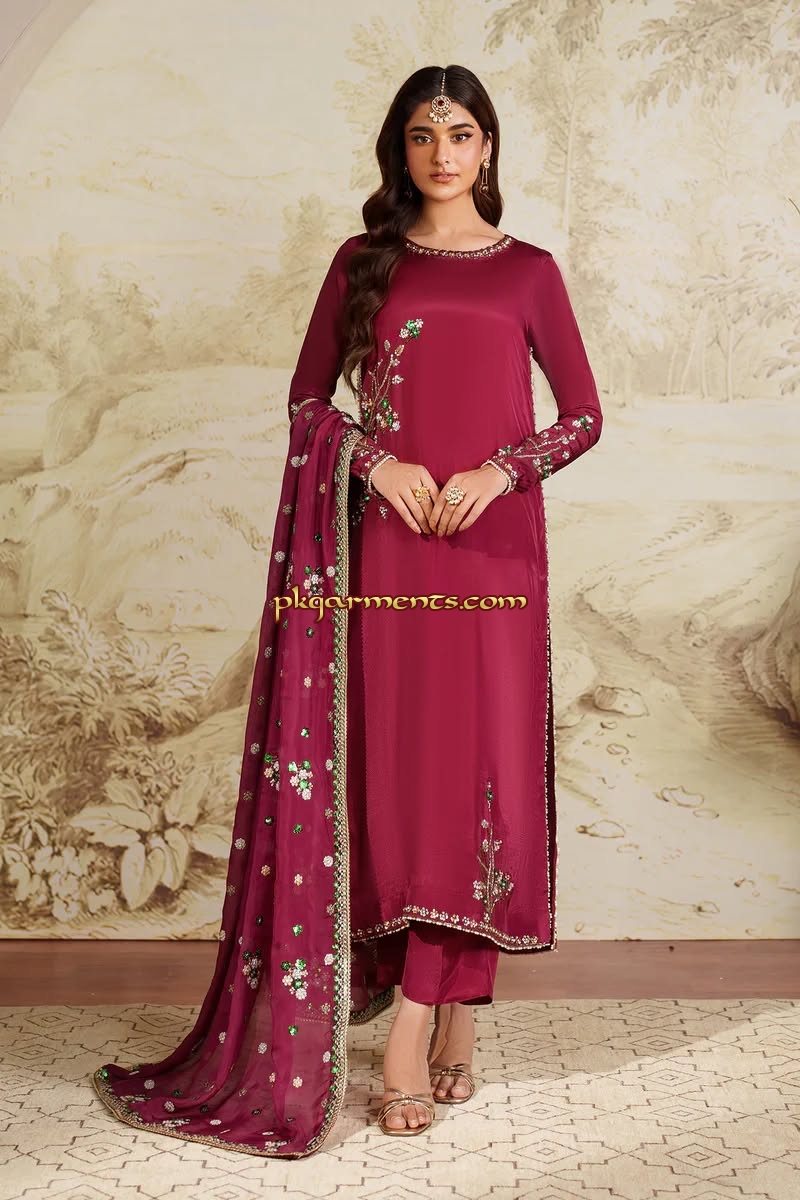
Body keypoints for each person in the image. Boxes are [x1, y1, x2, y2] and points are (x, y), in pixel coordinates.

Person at [91, 63, 602, 1155]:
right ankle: (442, 1013)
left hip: (492, 557)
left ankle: (425, 1024)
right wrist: (373, 462)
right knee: (406, 783)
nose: (441, 153)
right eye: (421, 134)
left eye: (459, 133)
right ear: (399, 149)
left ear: (488, 146)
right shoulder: (361, 263)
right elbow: (304, 401)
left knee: (481, 777)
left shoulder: (530, 272)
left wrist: (502, 470)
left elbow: (584, 416)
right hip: (387, 551)